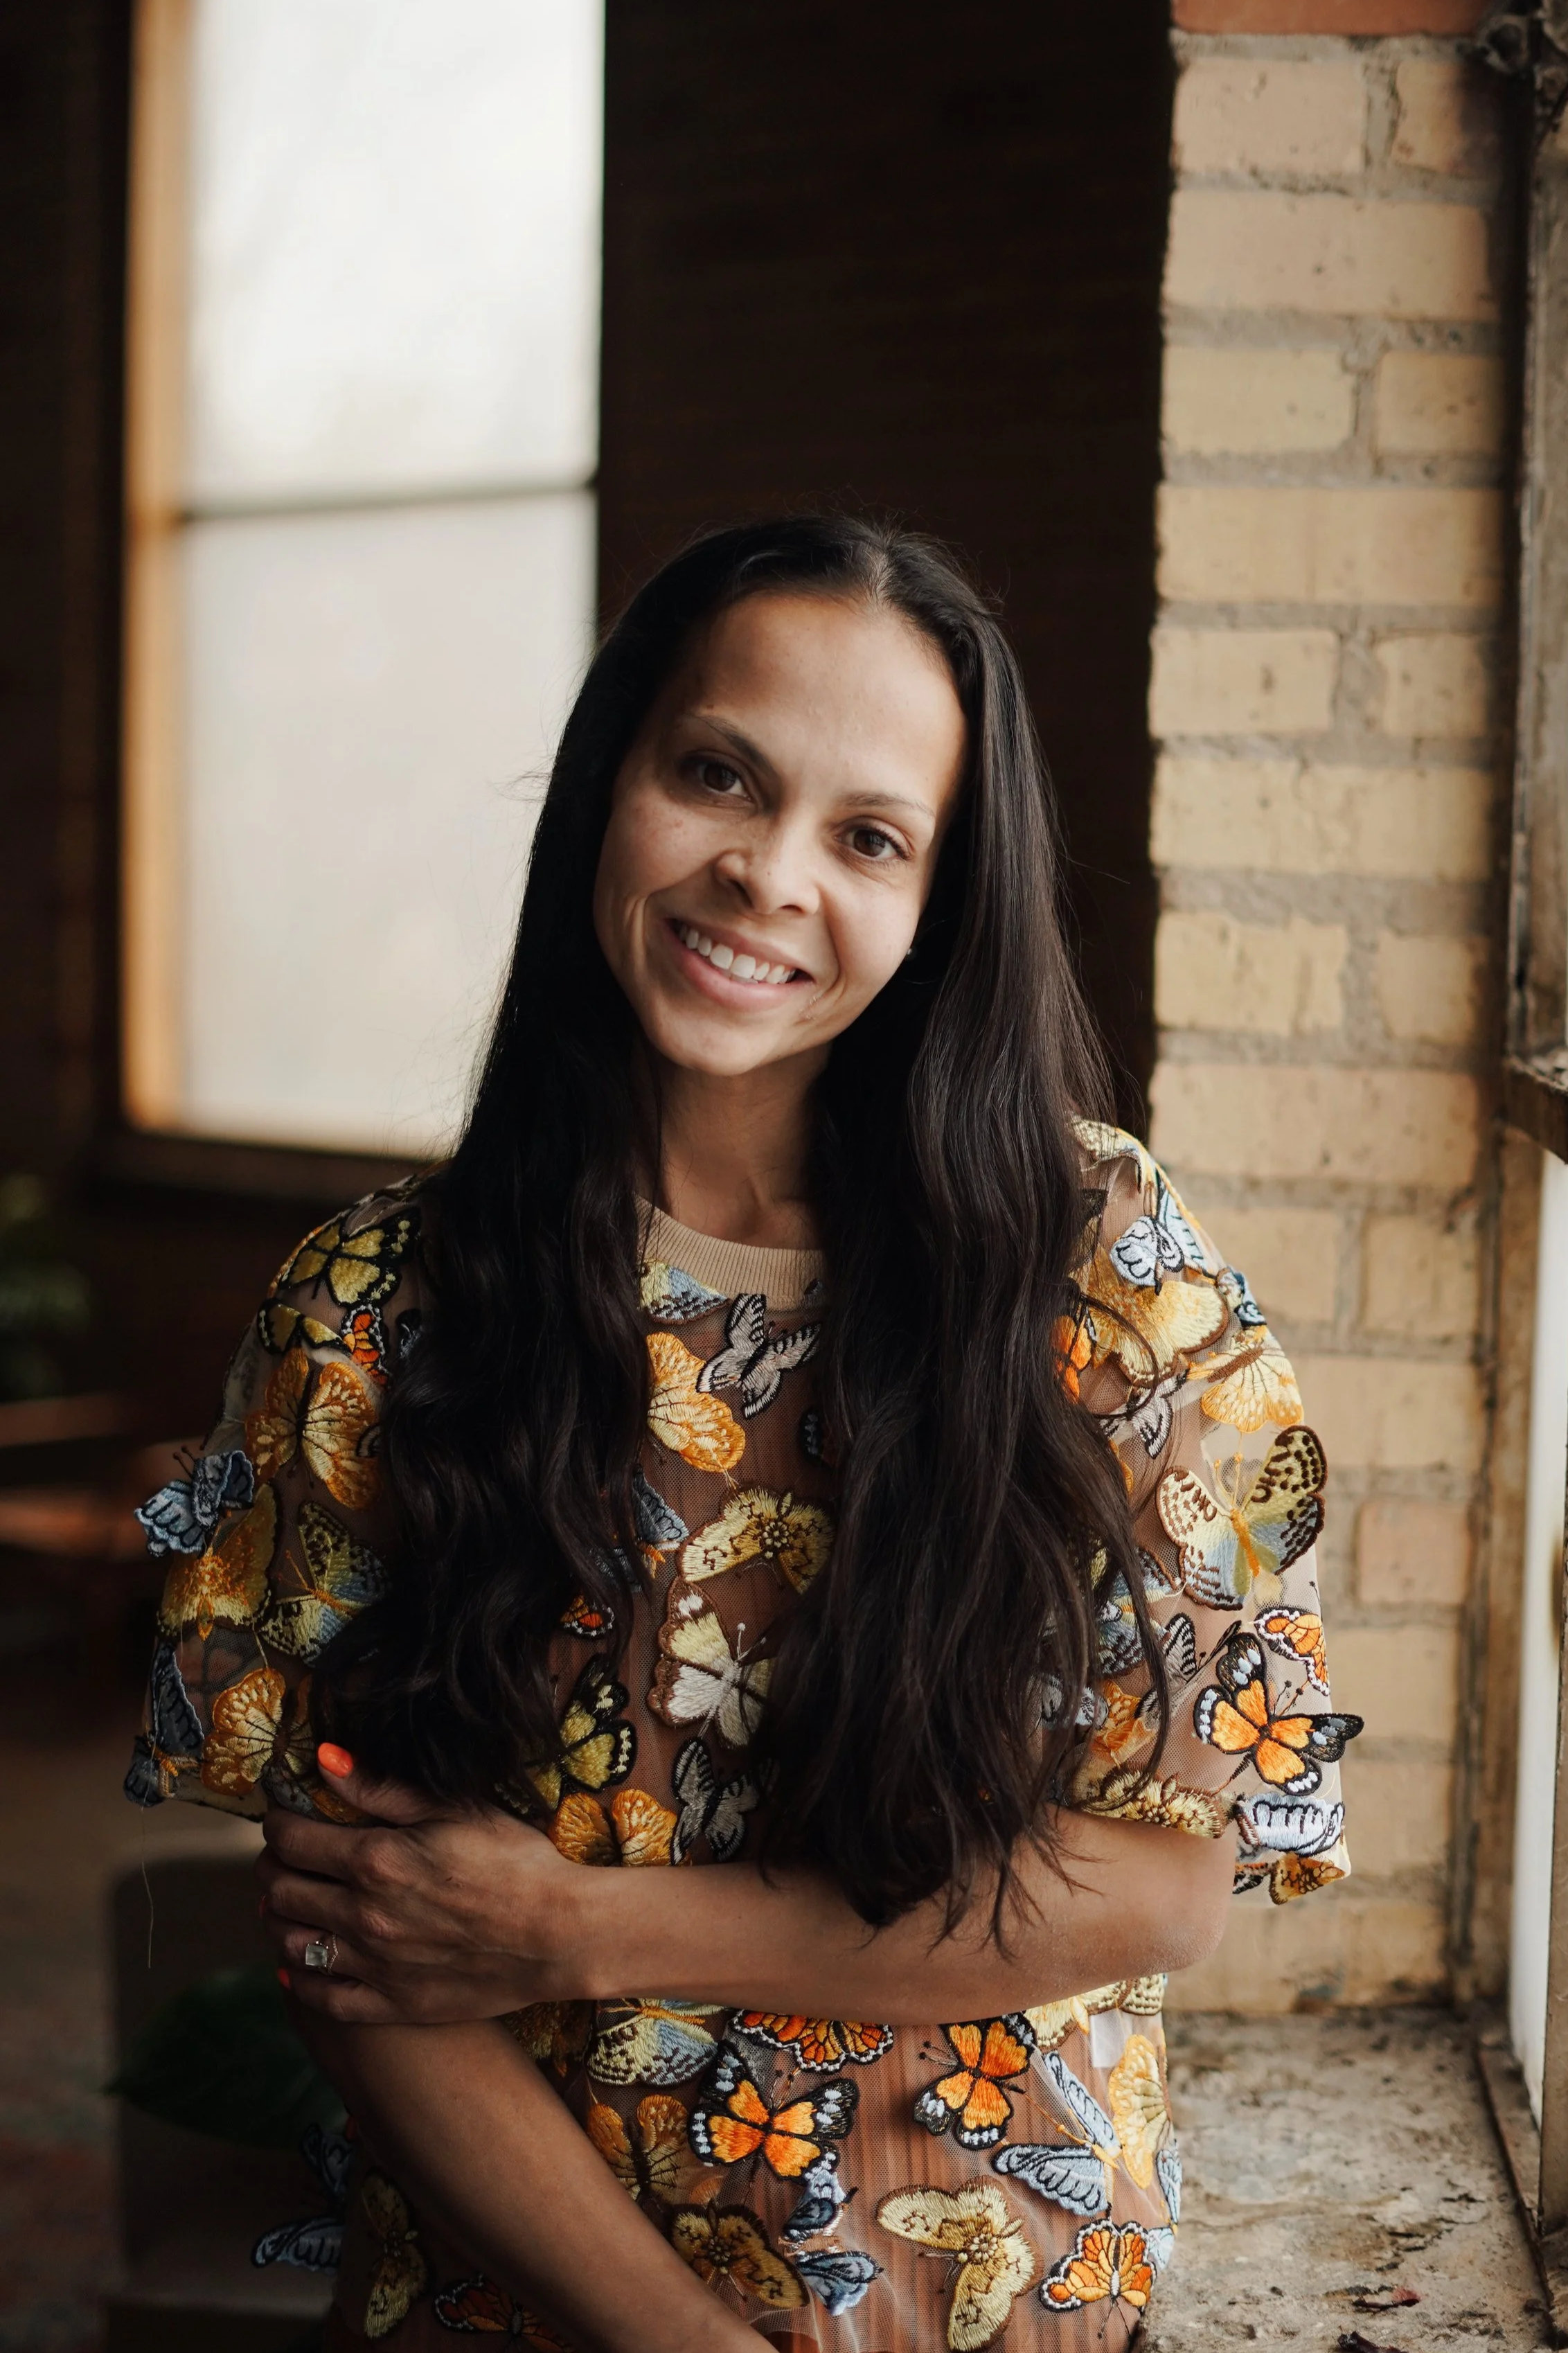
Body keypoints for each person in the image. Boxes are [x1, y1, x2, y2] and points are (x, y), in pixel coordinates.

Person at [128, 516, 1359, 2353]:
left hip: (995, 2308)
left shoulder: (1111, 1287)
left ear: (944, 898)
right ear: (608, 781)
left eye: (870, 836)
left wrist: (580, 1928)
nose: (769, 874)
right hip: (517, 2302)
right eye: (719, 773)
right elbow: (357, 1945)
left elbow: (1172, 1881)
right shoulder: (373, 1312)